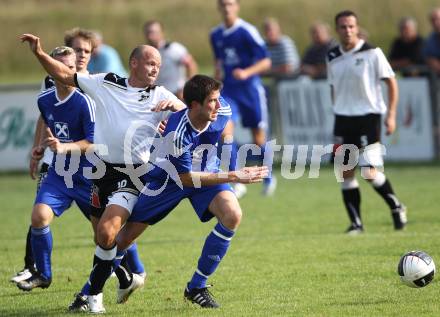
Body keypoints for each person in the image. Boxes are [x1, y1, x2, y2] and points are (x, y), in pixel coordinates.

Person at [20, 33, 186, 313]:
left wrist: (177, 113)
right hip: (102, 170)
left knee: (109, 232)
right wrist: (39, 53)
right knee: (101, 237)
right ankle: (126, 278)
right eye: (150, 63)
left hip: (134, 174)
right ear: (133, 63)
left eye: (158, 64)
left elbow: (189, 123)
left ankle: (93, 296)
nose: (156, 68)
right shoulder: (106, 82)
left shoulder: (161, 95)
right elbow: (65, 75)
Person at [112, 75, 268, 309]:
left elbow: (226, 123)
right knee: (123, 238)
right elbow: (185, 178)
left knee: (232, 214)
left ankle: (196, 286)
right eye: (211, 101)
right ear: (195, 104)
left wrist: (225, 146)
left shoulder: (221, 109)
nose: (218, 105)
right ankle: (89, 292)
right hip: (171, 178)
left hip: (207, 172)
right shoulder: (177, 133)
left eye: (217, 99)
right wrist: (235, 175)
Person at [11, 27, 96, 285]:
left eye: (86, 52)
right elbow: (46, 118)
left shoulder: (93, 89)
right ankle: (35, 269)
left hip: (90, 170)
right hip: (57, 164)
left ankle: (129, 270)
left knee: (105, 231)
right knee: (39, 214)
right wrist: (39, 148)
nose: (81, 56)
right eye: (77, 50)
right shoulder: (47, 90)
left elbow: (94, 142)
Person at [327, 10, 407, 234]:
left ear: (357, 27)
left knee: (368, 171)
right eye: (343, 27)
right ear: (337, 29)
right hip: (342, 119)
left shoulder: (372, 53)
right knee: (345, 172)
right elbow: (333, 87)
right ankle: (356, 224)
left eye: (351, 26)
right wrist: (336, 110)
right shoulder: (332, 56)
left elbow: (391, 82)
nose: (348, 30)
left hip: (368, 118)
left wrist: (390, 115)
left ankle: (396, 205)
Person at [210, 0, 275, 198]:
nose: (226, 8)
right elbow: (219, 60)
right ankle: (237, 181)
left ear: (236, 6)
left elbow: (266, 61)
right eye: (223, 4)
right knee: (225, 132)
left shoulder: (247, 31)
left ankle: (269, 177)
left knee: (258, 139)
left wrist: (247, 72)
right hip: (229, 91)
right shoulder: (216, 34)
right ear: (219, 7)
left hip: (250, 91)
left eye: (230, 4)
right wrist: (217, 72)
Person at [143, 20, 198, 100]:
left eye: (153, 32)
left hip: (176, 95)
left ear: (161, 33)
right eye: (148, 33)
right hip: (156, 97)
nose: (150, 36)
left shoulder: (174, 49)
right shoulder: (145, 52)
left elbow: (191, 65)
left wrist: (188, 88)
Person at [423, 8, 440, 75]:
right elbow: (427, 56)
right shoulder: (431, 38)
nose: (435, 22)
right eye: (433, 20)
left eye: (438, 19)